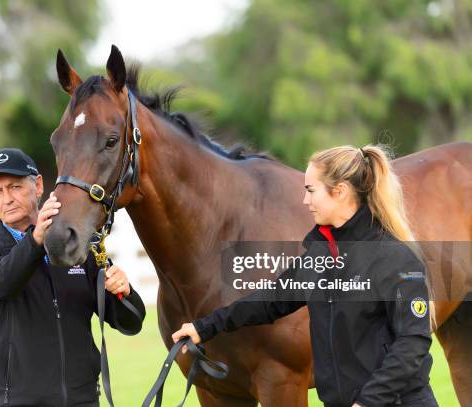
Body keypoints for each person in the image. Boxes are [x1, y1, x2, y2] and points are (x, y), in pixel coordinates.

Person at [172, 145, 437, 407]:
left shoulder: (396, 258)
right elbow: (270, 301)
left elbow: (412, 343)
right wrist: (204, 327)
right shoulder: (319, 257)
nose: (305, 201)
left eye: (311, 190)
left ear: (340, 192)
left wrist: (367, 402)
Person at [0, 147, 146, 407]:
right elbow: (0, 283)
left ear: (38, 185)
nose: (7, 199)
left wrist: (124, 293)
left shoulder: (79, 247)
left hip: (82, 400)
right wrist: (36, 240)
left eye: (15, 187)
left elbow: (131, 323)